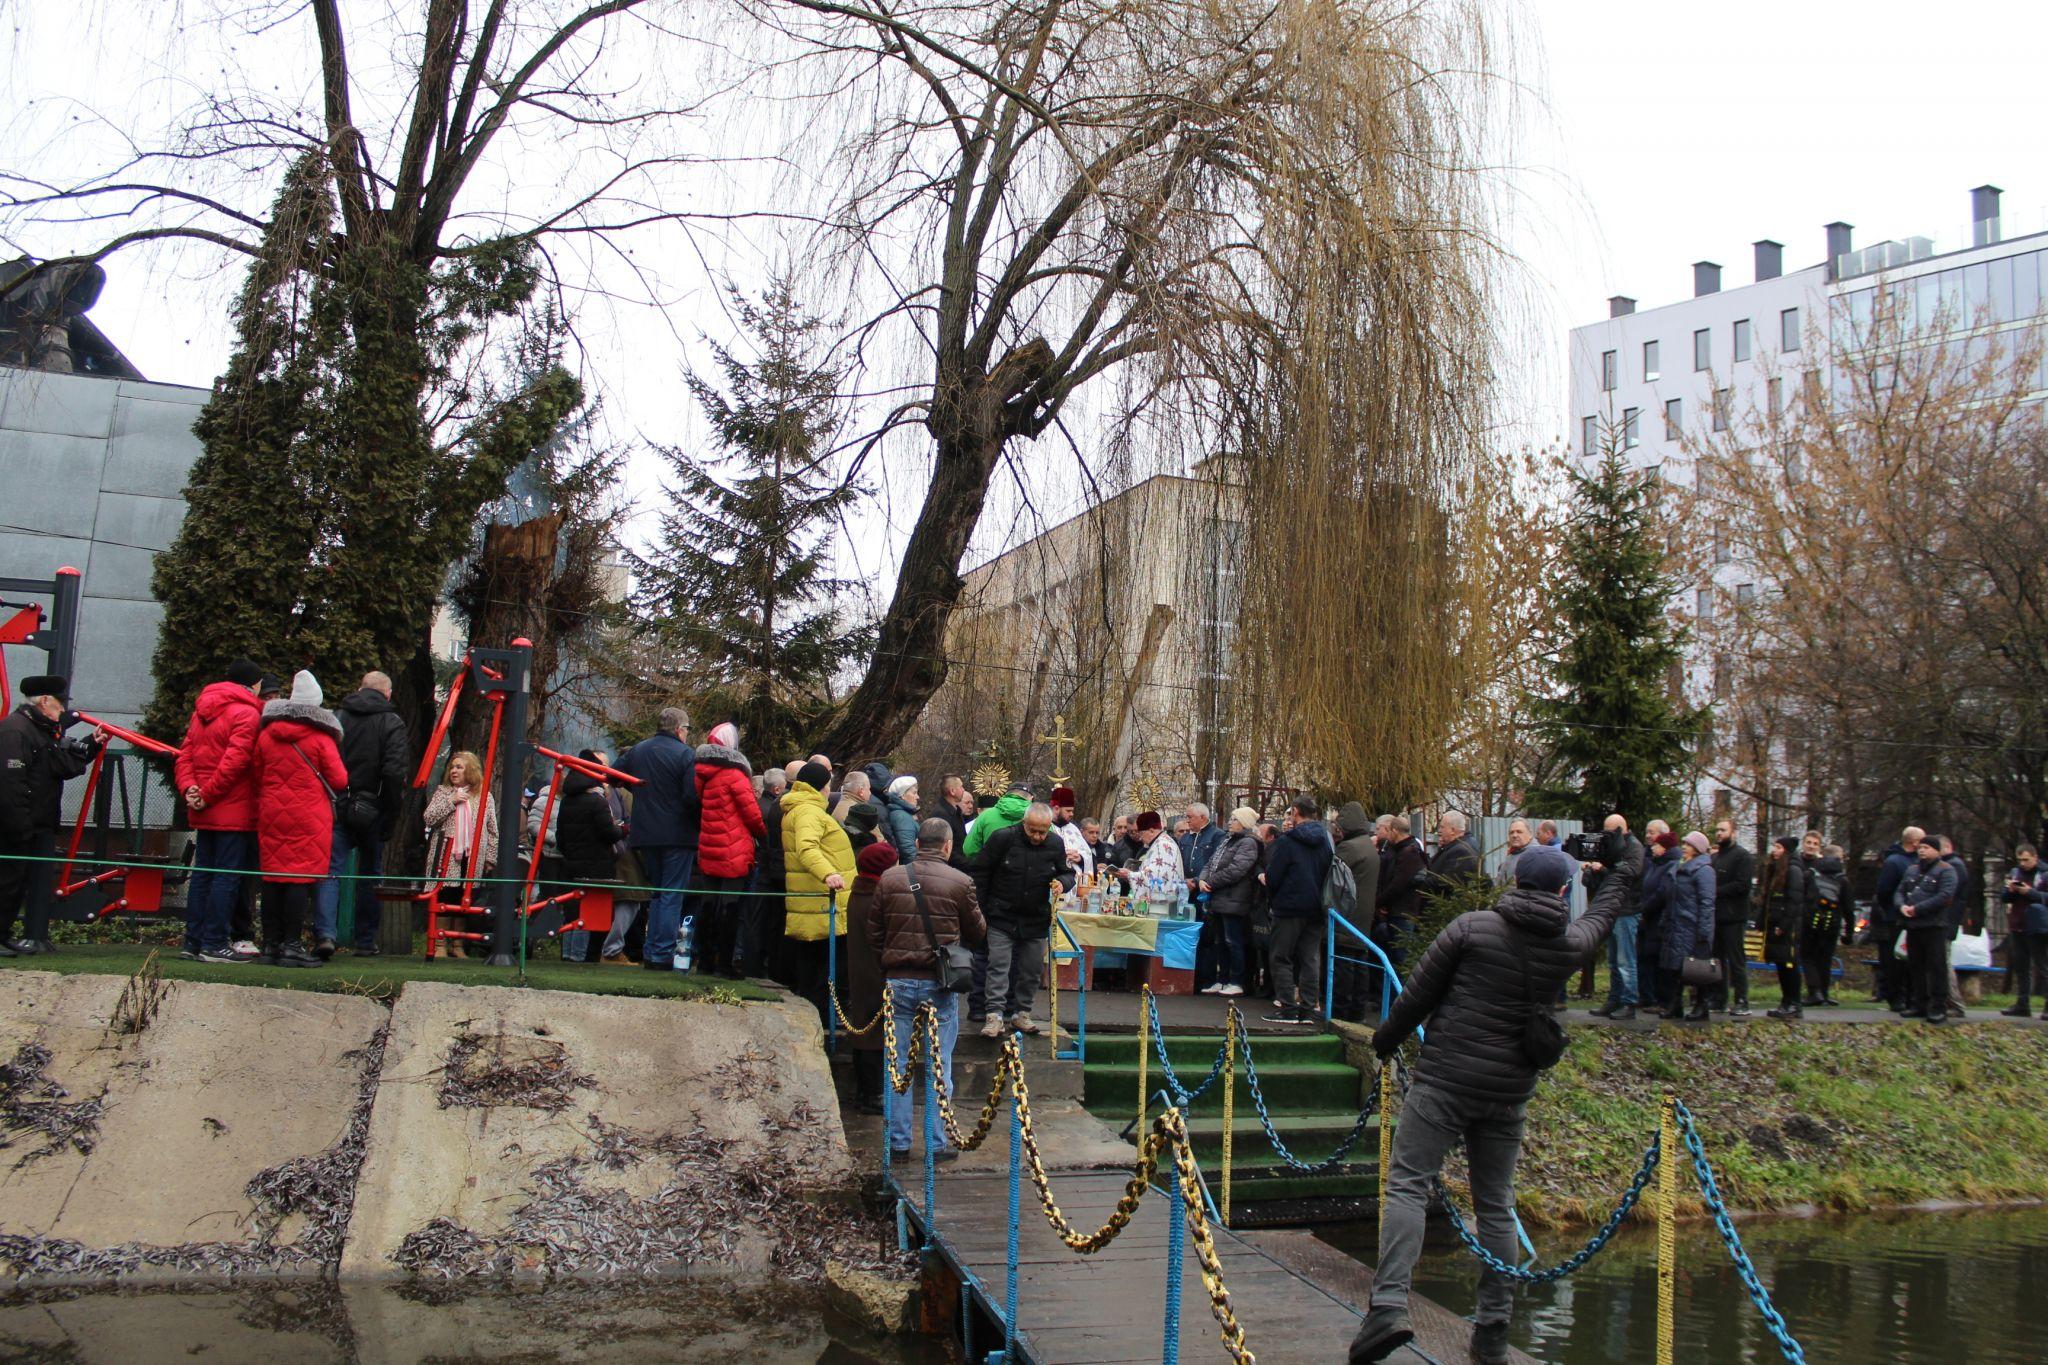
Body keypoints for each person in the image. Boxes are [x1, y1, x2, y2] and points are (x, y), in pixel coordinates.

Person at [1352, 842, 1631, 1364]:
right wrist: (1622, 870)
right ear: (1563, 891)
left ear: (1515, 881)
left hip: (1444, 1081)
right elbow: (1604, 913)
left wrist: (1385, 1041)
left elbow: (1417, 996)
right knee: (1497, 1207)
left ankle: (1389, 1307)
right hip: (1508, 1094)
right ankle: (1494, 1332)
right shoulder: (1569, 942)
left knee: (1409, 1186)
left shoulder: (1471, 927)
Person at [871, 818, 987, 1159]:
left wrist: (890, 959)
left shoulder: (890, 877)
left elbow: (874, 930)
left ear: (918, 842)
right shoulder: (961, 882)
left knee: (898, 1066)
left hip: (898, 979)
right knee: (940, 1066)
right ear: (948, 846)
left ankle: (898, 1143)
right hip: (940, 982)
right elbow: (978, 932)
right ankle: (937, 1143)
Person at [0, 676, 105, 957]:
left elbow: (60, 766)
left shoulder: (38, 730)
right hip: (17, 825)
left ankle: (3, 933)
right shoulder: (16, 731)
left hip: (32, 823)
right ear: (45, 701)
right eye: (59, 704)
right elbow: (10, 783)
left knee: (16, 882)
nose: (62, 710)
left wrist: (90, 745)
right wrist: (20, 824)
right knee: (8, 881)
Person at [250, 671, 349, 967]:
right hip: (308, 815)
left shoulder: (267, 734)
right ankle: (292, 944)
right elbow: (340, 779)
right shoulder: (320, 738)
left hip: (271, 812)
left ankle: (270, 944)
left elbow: (257, 772)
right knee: (298, 878)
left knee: (272, 877)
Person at [312, 670, 410, 959]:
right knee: (371, 874)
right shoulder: (391, 722)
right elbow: (394, 771)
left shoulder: (337, 718)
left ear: (359, 688)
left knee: (330, 871)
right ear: (388, 693)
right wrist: (390, 812)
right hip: (374, 807)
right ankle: (365, 940)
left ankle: (325, 933)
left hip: (337, 803)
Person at [172, 658, 264, 963]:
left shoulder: (202, 712)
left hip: (205, 807)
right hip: (232, 808)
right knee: (226, 876)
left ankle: (193, 941)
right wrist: (209, 794)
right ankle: (215, 941)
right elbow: (236, 762)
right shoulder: (247, 712)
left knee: (202, 875)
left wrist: (190, 790)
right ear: (253, 684)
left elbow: (185, 754)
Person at [970, 801, 1073, 1037]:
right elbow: (981, 873)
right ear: (1023, 823)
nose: (1037, 836)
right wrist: (982, 911)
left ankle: (1022, 1013)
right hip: (1001, 915)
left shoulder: (1055, 843)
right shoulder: (1002, 838)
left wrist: (1062, 884)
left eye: (1042, 832)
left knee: (1032, 969)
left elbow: (1067, 872)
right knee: (998, 966)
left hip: (1035, 918)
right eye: (1032, 830)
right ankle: (994, 1015)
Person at [617, 707, 701, 973]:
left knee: (656, 894)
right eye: (687, 729)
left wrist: (642, 793)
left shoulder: (639, 750)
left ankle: (652, 950)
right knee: (671, 894)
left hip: (645, 832)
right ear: (679, 729)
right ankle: (662, 953)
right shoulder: (686, 755)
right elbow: (691, 797)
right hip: (677, 833)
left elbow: (613, 774)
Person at [782, 760, 856, 1021]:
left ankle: (822, 1013)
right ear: (821, 787)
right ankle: (827, 1016)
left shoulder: (803, 808)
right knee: (828, 964)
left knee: (815, 962)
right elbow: (807, 847)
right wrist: (829, 874)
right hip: (822, 903)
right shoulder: (808, 812)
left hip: (818, 904)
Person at [693, 722, 766, 979]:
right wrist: (762, 834)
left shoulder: (704, 775)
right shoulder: (735, 775)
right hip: (733, 848)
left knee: (708, 904)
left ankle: (704, 961)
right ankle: (724, 963)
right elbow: (752, 814)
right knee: (730, 908)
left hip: (710, 845)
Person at [1262, 796, 1331, 1025]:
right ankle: (1310, 1008)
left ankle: (1288, 1007)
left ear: (1296, 813)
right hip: (1316, 906)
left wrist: (1274, 895)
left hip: (1289, 906)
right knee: (1310, 957)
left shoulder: (1288, 841)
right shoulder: (1325, 840)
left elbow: (1274, 876)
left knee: (1281, 956)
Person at [424, 749, 498, 958]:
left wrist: (490, 857)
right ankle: (438, 943)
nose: (454, 771)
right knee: (444, 895)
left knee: (464, 899)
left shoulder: (484, 796)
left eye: (459, 767)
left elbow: (492, 830)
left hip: (472, 855)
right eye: (452, 767)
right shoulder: (444, 793)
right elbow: (429, 818)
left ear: (471, 770)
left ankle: (457, 944)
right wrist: (451, 801)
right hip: (446, 855)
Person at [845, 841, 899, 1114]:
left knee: (864, 1026)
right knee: (873, 1031)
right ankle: (873, 1093)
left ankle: (866, 1091)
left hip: (862, 968)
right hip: (876, 970)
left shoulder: (860, 892)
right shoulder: (878, 899)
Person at [555, 752, 622, 962]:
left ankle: (568, 953)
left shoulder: (567, 801)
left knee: (572, 909)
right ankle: (582, 956)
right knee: (589, 912)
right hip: (597, 864)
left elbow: (560, 836)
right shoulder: (597, 801)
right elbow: (609, 833)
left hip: (572, 862)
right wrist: (623, 830)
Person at [1582, 815, 1646, 1021]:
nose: (1605, 835)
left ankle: (1629, 1002)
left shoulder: (1634, 847)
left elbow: (1632, 872)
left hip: (1627, 910)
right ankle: (1614, 999)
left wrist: (1606, 868)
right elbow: (1598, 880)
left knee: (1625, 961)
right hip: (1613, 909)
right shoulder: (1612, 847)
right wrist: (1592, 869)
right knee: (1613, 961)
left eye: (1608, 831)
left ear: (1620, 830)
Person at [1195, 807, 1261, 997]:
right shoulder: (1227, 841)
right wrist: (1202, 878)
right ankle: (1222, 979)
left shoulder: (1248, 843)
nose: (1230, 822)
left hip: (1235, 899)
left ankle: (1236, 980)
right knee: (1221, 941)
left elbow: (1237, 870)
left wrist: (1211, 881)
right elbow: (1211, 863)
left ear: (1244, 822)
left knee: (1234, 941)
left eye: (1234, 819)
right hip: (1221, 899)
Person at [1897, 836, 1958, 1024]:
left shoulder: (1946, 871)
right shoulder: (1912, 870)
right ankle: (1919, 1003)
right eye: (1920, 847)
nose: (1921, 850)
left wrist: (1918, 909)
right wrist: (1901, 906)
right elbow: (1900, 891)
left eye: (1926, 847)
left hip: (1934, 925)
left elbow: (1944, 896)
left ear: (1937, 851)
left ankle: (1938, 1006)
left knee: (1936, 967)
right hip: (1914, 926)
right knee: (1916, 966)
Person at [1328, 803, 1380, 1019]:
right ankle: (1357, 1011)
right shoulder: (1368, 845)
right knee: (1360, 963)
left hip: (1347, 914)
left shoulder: (1348, 848)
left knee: (1344, 965)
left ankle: (1341, 1012)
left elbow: (1332, 876)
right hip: (1363, 915)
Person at [1662, 832, 1719, 1020]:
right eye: (1684, 843)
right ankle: (1675, 1005)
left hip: (1693, 926)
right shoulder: (1681, 866)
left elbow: (1707, 902)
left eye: (1688, 844)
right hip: (1677, 924)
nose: (1684, 846)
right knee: (1676, 967)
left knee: (1698, 969)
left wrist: (1704, 931)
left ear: (1698, 848)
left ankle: (1701, 1006)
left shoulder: (1704, 870)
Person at [1757, 836, 1813, 1019]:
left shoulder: (1794, 870)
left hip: (1787, 927)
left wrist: (1784, 924)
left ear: (1786, 851)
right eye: (1774, 846)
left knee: (1789, 964)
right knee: (1781, 964)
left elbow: (1794, 902)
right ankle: (1786, 1001)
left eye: (1778, 847)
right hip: (1775, 923)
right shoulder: (1777, 870)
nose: (1774, 850)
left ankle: (1794, 1002)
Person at [1871, 826, 1924, 1011]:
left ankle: (1912, 996)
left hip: (1914, 917)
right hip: (1897, 917)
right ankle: (1896, 997)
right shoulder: (1894, 862)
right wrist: (1893, 909)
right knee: (1895, 959)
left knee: (1912, 960)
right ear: (1914, 842)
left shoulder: (1919, 861)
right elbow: (1884, 890)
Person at [1709, 819, 1756, 1016]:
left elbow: (1742, 885)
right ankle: (1720, 999)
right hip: (1717, 916)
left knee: (1736, 960)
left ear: (1733, 833)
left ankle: (1742, 1000)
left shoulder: (1742, 856)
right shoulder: (1716, 857)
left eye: (1723, 830)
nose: (1719, 833)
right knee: (1718, 960)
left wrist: (1716, 891)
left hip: (1734, 916)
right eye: (1717, 830)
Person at [749, 765, 790, 977]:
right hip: (766, 871)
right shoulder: (772, 809)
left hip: (762, 869)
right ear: (776, 789)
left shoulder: (761, 805)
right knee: (762, 921)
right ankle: (756, 965)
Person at [1999, 845, 2048, 1018]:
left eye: (2026, 859)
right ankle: (2022, 1004)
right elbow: (2004, 897)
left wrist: (2030, 892)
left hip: (2037, 927)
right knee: (2021, 967)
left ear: (2035, 857)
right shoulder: (2015, 873)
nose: (2023, 863)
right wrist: (2010, 891)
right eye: (2020, 860)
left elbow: (2044, 898)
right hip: (2017, 925)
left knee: (2042, 967)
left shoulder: (2044, 874)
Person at [1636, 829, 1680, 1012]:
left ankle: (1659, 999)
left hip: (1659, 919)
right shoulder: (1655, 864)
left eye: (1657, 845)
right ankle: (1647, 996)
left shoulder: (1671, 866)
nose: (1653, 848)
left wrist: (1646, 908)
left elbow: (1662, 892)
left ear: (1665, 848)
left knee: (1656, 959)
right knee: (1645, 957)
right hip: (1648, 918)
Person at [1803, 839, 1851, 1007]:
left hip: (1810, 923)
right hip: (1832, 923)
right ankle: (1824, 992)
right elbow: (1848, 907)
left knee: (1808, 957)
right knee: (1825, 958)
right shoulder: (1842, 879)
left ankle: (1814, 991)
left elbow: (1803, 898)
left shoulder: (1811, 874)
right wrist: (1849, 932)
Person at [1117, 808, 1185, 915]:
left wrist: (1129, 874)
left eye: (1141, 834)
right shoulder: (1159, 842)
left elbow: (1155, 878)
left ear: (1152, 830)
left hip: (1161, 907)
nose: (1140, 838)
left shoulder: (1162, 845)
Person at [963, 786, 1029, 859]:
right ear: (1030, 797)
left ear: (1006, 795)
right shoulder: (1037, 816)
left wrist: (980, 864)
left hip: (990, 866)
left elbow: (969, 849)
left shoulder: (985, 815)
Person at [929, 774, 976, 871]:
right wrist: (969, 864)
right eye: (961, 787)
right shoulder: (941, 814)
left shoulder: (956, 812)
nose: (963, 790)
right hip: (949, 869)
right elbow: (942, 847)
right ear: (952, 791)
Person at [1048, 786, 1092, 878]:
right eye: (1068, 811)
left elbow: (1087, 854)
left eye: (1072, 811)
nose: (1071, 814)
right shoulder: (1045, 827)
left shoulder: (1073, 829)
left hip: (1075, 884)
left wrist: (1080, 858)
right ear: (1056, 809)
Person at [1177, 803, 1223, 890]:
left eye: (1190, 817)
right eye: (1186, 817)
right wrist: (1185, 880)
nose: (1187, 820)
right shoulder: (1184, 838)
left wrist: (1197, 880)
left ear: (1202, 818)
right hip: (1185, 887)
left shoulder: (1217, 835)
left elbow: (1217, 863)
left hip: (1206, 888)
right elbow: (1179, 861)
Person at [879, 775, 921, 866]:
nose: (917, 797)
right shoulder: (901, 817)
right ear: (902, 796)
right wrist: (920, 872)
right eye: (914, 793)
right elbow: (908, 852)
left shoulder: (903, 814)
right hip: (911, 872)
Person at [1494, 819, 1533, 888]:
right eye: (1511, 832)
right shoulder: (1511, 855)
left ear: (1530, 835)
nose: (1514, 835)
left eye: (1519, 832)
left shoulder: (1535, 856)